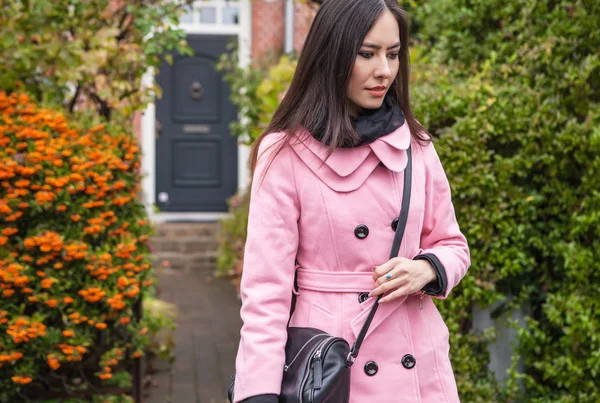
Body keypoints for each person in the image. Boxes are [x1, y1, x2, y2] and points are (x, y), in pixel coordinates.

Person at [232, 0, 470, 401]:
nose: (385, 71)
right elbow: (265, 295)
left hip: (417, 365)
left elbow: (453, 245)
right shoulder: (285, 153)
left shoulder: (415, 145)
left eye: (393, 54)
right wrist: (258, 394)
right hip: (331, 365)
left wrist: (427, 269)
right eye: (367, 53)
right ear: (333, 54)